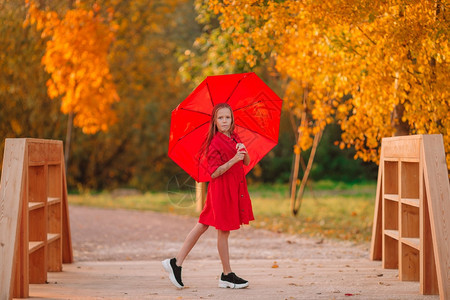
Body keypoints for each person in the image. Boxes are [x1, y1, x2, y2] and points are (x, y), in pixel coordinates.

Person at [162, 102, 254, 289]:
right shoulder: (214, 143)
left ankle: (177, 262)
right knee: (221, 229)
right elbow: (213, 172)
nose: (224, 121)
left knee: (205, 225)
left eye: (227, 117)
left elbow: (246, 161)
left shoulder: (235, 137)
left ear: (232, 119)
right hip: (221, 190)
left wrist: (243, 152)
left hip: (232, 188)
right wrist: (233, 159)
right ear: (215, 121)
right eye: (220, 118)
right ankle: (226, 274)